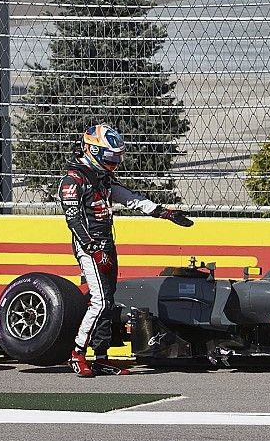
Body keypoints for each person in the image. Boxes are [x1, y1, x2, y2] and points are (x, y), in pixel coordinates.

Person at [58, 124, 193, 377]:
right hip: (89, 246)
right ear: (91, 150)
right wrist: (92, 248)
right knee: (98, 302)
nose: (113, 163)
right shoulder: (72, 181)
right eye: (109, 157)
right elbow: (74, 221)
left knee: (108, 303)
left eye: (116, 157)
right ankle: (77, 354)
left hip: (106, 243)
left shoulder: (103, 179)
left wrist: (165, 213)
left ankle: (100, 357)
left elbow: (131, 198)